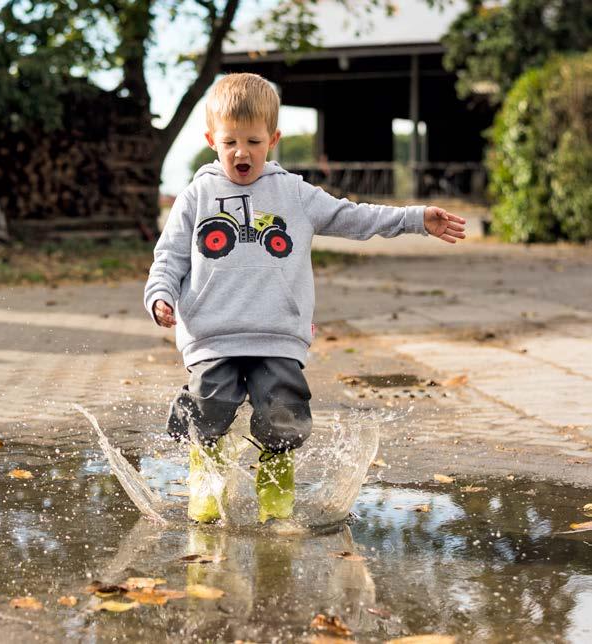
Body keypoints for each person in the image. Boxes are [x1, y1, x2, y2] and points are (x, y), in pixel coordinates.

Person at [143, 73, 466, 524]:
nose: (242, 152)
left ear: (272, 139)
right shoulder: (197, 196)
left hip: (278, 333)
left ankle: (275, 484)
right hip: (212, 336)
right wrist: (160, 294)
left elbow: (353, 216)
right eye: (230, 141)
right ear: (210, 139)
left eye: (253, 141)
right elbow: (170, 257)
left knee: (283, 412)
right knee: (209, 408)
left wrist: (414, 219)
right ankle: (205, 474)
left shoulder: (293, 192)